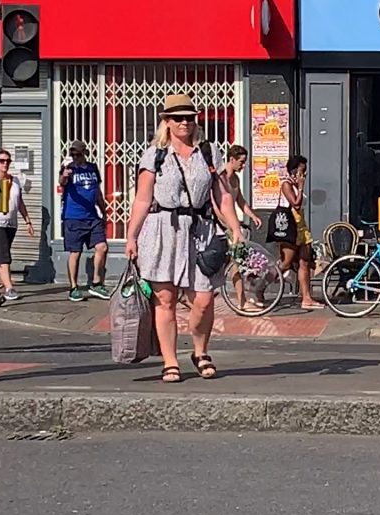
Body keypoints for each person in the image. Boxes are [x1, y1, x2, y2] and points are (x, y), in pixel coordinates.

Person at [125, 94, 244, 383]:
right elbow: (142, 200)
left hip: (200, 229)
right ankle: (170, 361)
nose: (184, 122)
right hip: (163, 228)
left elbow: (222, 195)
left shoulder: (208, 152)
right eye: (177, 117)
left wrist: (235, 227)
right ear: (166, 121)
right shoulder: (155, 154)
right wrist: (131, 236)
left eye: (189, 117)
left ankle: (200, 351)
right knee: (165, 299)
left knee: (203, 299)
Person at [59, 140, 110, 302]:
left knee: (102, 247)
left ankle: (96, 282)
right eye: (72, 154)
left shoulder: (92, 168)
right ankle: (73, 287)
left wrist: (103, 211)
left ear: (84, 153)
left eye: (78, 154)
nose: (75, 157)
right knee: (76, 252)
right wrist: (64, 176)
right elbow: (62, 183)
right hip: (73, 217)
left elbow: (97, 192)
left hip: (92, 216)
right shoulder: (69, 169)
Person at [219, 145, 265, 311]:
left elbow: (240, 201)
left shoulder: (235, 180)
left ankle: (244, 297)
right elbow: (218, 205)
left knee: (239, 261)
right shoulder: (220, 179)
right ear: (231, 159)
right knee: (237, 262)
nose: (243, 166)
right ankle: (242, 301)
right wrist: (229, 224)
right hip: (223, 226)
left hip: (233, 225)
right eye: (241, 162)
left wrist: (252, 215)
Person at [276, 155, 324, 310]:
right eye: (302, 171)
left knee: (305, 262)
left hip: (302, 227)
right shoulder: (286, 185)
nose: (304, 174)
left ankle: (307, 297)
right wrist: (301, 186)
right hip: (290, 228)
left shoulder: (296, 184)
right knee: (286, 263)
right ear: (293, 171)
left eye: (305, 171)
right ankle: (261, 285)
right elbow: (295, 205)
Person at [0, 151, 35, 301]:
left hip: (11, 223)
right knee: (4, 256)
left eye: (8, 161)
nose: (5, 164)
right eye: (2, 161)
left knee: (1, 253)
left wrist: (27, 221)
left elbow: (19, 202)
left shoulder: (14, 181)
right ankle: (9, 287)